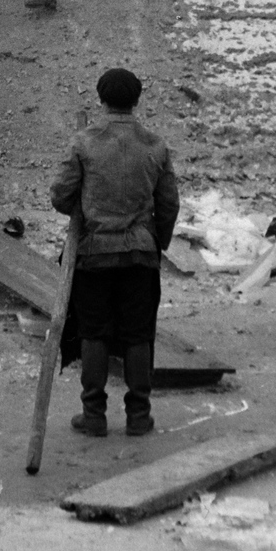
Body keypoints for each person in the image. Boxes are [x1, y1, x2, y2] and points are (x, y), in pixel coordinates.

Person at [50, 68, 179, 438]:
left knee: (94, 333)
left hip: (94, 254)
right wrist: (158, 242)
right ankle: (139, 416)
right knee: (139, 334)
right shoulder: (155, 145)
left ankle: (94, 415)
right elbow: (169, 203)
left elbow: (60, 195)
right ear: (136, 101)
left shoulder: (84, 142)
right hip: (140, 255)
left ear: (101, 99)